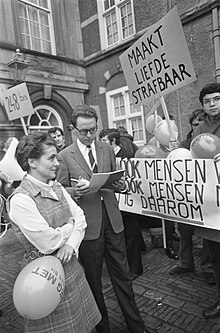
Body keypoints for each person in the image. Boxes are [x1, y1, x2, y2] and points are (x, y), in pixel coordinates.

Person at [57, 105, 148, 333]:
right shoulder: (64, 156)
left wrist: (121, 185)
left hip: (114, 222)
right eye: (84, 131)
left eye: (93, 130)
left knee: (123, 279)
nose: (89, 135)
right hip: (88, 228)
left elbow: (116, 179)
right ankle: (102, 328)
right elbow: (59, 191)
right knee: (94, 282)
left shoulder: (106, 148)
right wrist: (74, 192)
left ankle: (136, 327)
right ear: (73, 129)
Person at [7, 132, 101, 333]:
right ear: (32, 162)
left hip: (71, 269)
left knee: (82, 325)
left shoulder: (57, 187)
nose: (57, 163)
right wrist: (70, 226)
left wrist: (70, 244)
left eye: (56, 157)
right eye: (51, 158)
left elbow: (81, 219)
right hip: (43, 281)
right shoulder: (21, 200)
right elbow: (48, 243)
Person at [169, 108, 215, 284]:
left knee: (207, 232)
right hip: (187, 195)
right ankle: (186, 262)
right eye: (194, 124)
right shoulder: (185, 142)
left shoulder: (210, 140)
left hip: (207, 194)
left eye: (200, 124)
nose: (197, 127)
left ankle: (208, 268)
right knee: (184, 230)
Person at [189, 83, 220, 319]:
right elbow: (187, 156)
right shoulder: (200, 130)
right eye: (207, 101)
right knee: (215, 256)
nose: (212, 104)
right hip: (210, 205)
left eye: (216, 99)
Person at [99, 128, 143, 280]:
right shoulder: (103, 157)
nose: (101, 144)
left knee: (132, 235)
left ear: (113, 142)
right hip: (114, 203)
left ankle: (136, 268)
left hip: (129, 203)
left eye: (104, 141)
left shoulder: (128, 157)